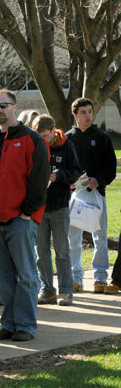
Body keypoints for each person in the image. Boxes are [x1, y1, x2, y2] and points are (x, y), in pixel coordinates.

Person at [0, 90, 49, 342]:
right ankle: (9, 323)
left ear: (14, 107)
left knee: (27, 276)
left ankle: (26, 326)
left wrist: (27, 213)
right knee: (3, 278)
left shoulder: (31, 139)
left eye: (3, 105)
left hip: (20, 220)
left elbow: (40, 180)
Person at [66, 98, 117, 294]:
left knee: (100, 238)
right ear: (75, 115)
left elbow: (110, 168)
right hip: (74, 197)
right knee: (74, 239)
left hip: (96, 195)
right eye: (83, 112)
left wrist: (99, 180)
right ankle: (75, 278)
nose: (88, 116)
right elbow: (63, 167)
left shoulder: (102, 138)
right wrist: (68, 182)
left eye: (90, 111)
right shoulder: (67, 138)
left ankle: (100, 278)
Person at [32, 114, 81, 306]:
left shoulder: (66, 146)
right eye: (39, 136)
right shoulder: (35, 145)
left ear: (53, 131)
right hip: (39, 208)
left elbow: (75, 172)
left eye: (45, 136)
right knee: (41, 252)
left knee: (62, 251)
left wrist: (58, 175)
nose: (42, 140)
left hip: (59, 206)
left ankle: (66, 290)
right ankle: (47, 289)